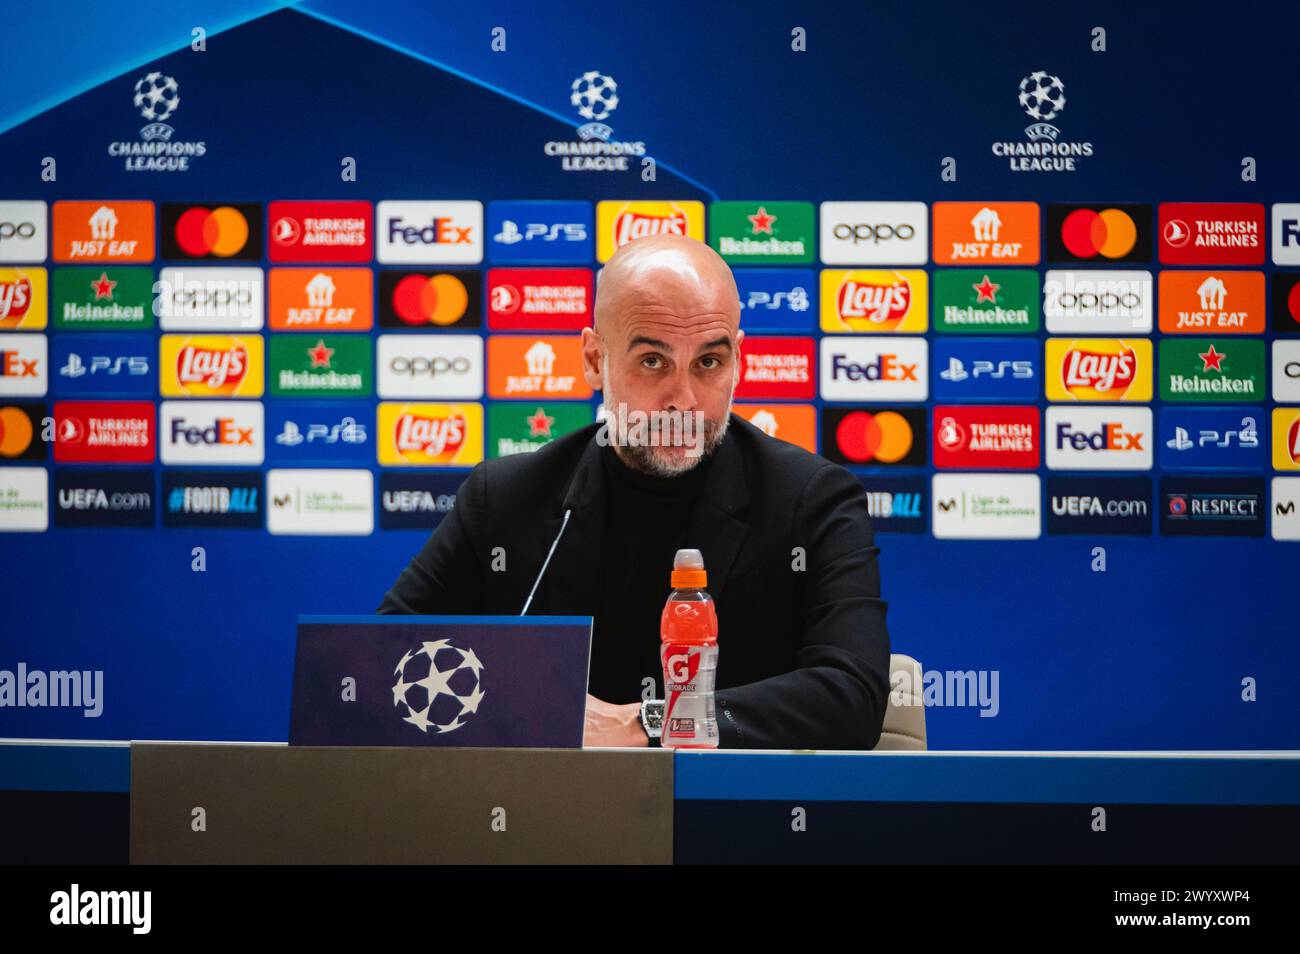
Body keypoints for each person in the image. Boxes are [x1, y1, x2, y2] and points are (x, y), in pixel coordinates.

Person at [378, 233, 891, 749]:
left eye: (708, 363)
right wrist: (530, 707)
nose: (683, 399)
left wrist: (650, 722)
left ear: (739, 360)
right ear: (595, 359)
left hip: (733, 818)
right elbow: (381, 661)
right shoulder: (507, 498)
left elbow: (853, 696)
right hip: (549, 819)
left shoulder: (810, 500)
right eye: (653, 361)